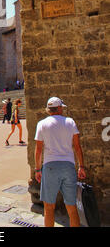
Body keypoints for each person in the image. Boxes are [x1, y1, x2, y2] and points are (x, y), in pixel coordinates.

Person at [34, 97, 86, 228]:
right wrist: (81, 166)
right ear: (59, 108)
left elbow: (38, 150)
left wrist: (37, 169)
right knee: (72, 207)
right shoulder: (70, 122)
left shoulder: (42, 124)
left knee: (49, 207)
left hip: (50, 166)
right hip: (68, 166)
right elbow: (77, 147)